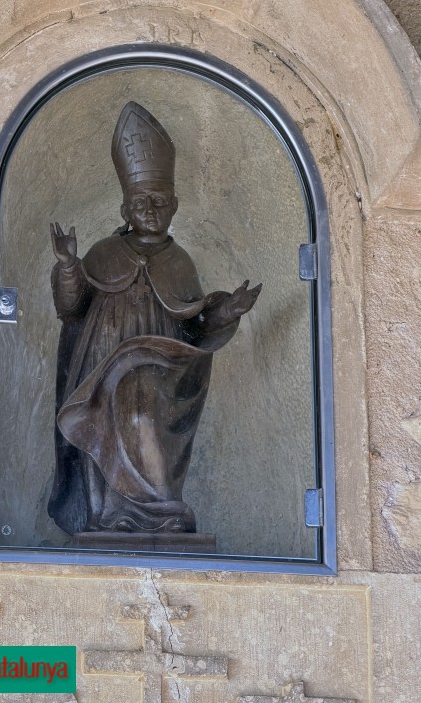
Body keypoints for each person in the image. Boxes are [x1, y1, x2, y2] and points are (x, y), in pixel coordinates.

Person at [48, 101, 261, 536]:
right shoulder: (104, 254)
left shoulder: (179, 262)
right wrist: (70, 264)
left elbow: (195, 325)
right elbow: (71, 308)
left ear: (175, 206)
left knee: (145, 417)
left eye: (159, 201)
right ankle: (108, 515)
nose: (150, 209)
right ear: (125, 210)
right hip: (103, 366)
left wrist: (227, 310)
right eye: (140, 202)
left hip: (159, 372)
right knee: (110, 424)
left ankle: (161, 511)